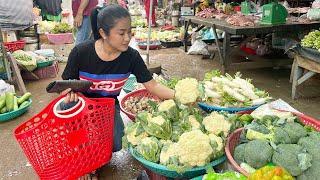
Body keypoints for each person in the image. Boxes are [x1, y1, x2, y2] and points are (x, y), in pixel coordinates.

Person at [61, 4, 174, 178]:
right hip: (81, 107)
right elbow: (64, 86)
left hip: (107, 107)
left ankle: (95, 151)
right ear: (103, 33)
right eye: (121, 33)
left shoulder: (131, 57)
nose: (127, 38)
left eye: (130, 32)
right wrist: (69, 93)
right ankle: (84, 159)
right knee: (67, 111)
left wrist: (180, 95)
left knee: (117, 143)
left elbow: (153, 86)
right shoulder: (81, 52)